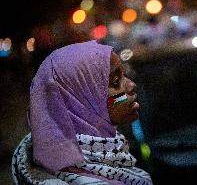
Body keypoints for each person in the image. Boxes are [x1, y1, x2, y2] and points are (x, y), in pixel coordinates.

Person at [11, 41, 153, 185]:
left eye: (124, 75)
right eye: (116, 81)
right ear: (81, 102)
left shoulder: (108, 149)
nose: (131, 85)